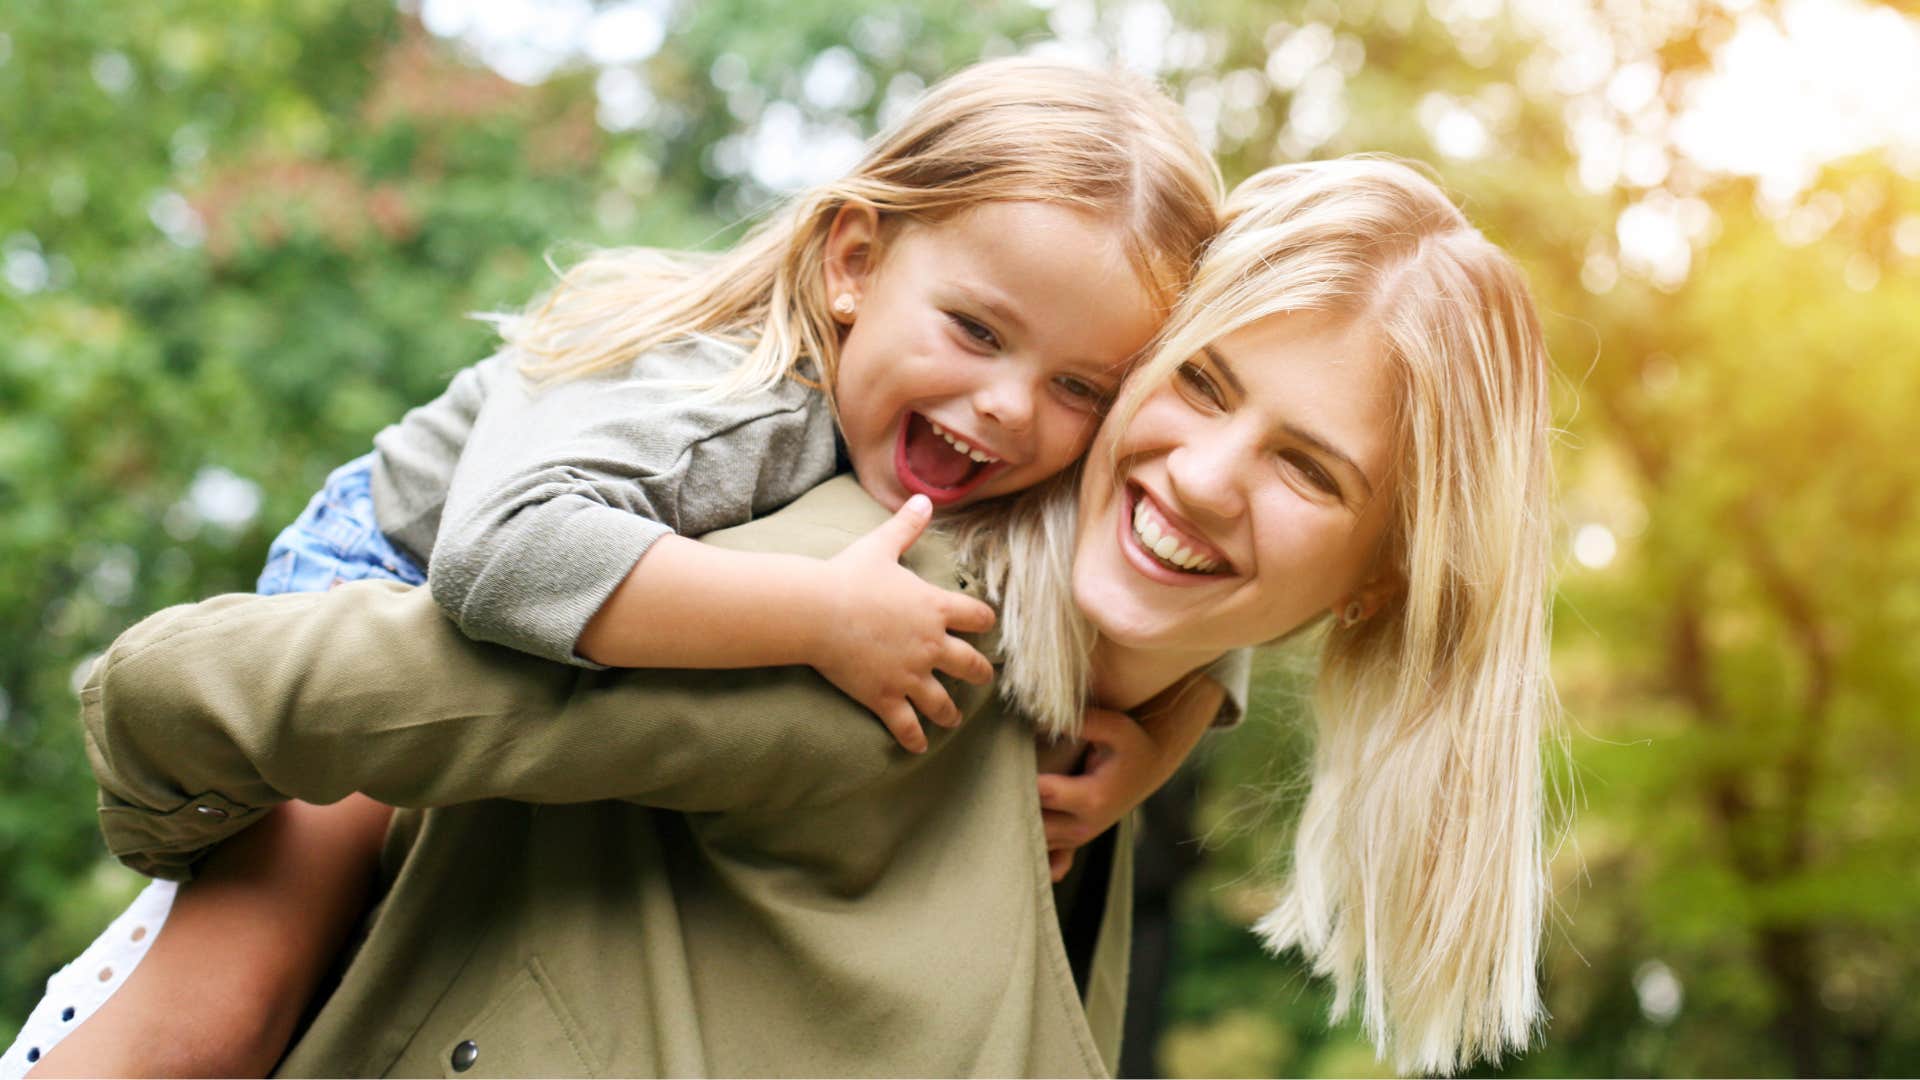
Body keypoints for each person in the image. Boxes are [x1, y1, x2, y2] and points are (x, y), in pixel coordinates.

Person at [26, 156, 1558, 1077]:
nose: (1206, 475)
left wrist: (1166, 723)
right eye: (1204, 385)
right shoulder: (871, 625)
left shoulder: (1096, 737)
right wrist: (250, 848)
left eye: (1307, 468)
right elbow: (192, 683)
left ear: (1376, 583)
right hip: (420, 549)